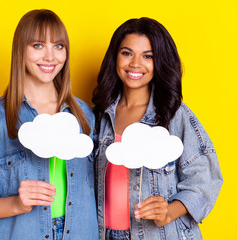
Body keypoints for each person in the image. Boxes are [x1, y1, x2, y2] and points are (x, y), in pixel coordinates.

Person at [0, 9, 98, 240]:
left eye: (58, 46)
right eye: (38, 45)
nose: (50, 57)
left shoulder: (87, 118)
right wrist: (16, 203)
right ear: (20, 49)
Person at [92, 17, 223, 240]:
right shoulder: (101, 115)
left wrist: (170, 211)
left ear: (160, 61)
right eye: (127, 53)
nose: (135, 63)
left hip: (159, 234)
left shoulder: (174, 115)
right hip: (105, 234)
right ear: (115, 57)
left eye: (148, 56)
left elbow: (206, 179)